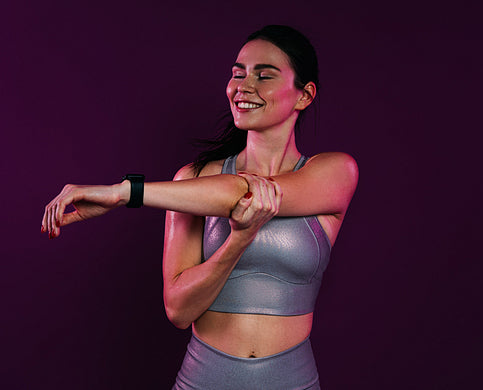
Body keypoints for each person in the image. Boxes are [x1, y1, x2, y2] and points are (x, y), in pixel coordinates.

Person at [41, 25, 358, 389]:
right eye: (238, 73)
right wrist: (238, 241)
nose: (243, 85)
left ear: (304, 95)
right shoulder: (192, 179)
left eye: (264, 75)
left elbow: (244, 191)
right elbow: (179, 310)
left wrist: (125, 192)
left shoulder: (334, 171)